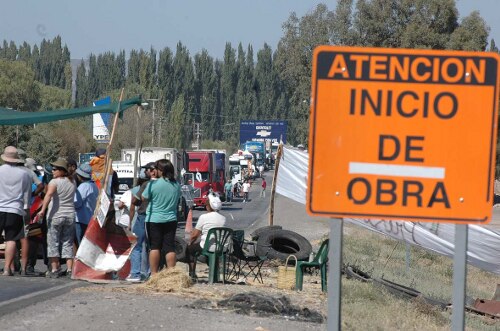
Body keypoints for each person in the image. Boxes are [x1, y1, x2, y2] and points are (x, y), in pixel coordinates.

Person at [37, 158, 77, 278]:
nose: (53, 171)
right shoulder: (72, 181)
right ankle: (70, 269)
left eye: (55, 169)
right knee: (67, 242)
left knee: (53, 242)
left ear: (62, 170)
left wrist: (43, 211)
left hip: (55, 216)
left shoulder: (54, 183)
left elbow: (48, 195)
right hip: (70, 215)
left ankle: (54, 269)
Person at [141, 159, 181, 274]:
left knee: (154, 247)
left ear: (161, 170)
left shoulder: (153, 184)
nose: (155, 171)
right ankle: (171, 274)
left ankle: (154, 274)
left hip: (154, 219)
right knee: (170, 247)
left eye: (156, 169)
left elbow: (143, 198)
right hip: (171, 219)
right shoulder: (176, 185)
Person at [0, 146, 31, 276]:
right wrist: (26, 209)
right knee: (11, 238)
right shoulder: (24, 174)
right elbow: (27, 194)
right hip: (15, 209)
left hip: (0, 207)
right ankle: (7, 268)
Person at [126, 163, 156, 282]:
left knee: (136, 245)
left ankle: (135, 273)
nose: (145, 172)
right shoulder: (167, 184)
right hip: (156, 219)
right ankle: (150, 272)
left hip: (143, 217)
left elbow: (135, 200)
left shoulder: (146, 184)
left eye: (146, 170)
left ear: (152, 171)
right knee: (152, 246)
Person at [16, 150, 44, 275]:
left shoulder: (8, 171)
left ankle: (12, 265)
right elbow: (41, 186)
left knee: (12, 238)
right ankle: (26, 266)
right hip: (28, 208)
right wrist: (33, 194)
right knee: (27, 237)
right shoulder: (30, 173)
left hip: (10, 208)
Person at [186, 193, 226, 279]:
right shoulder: (223, 218)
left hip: (206, 246)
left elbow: (194, 235)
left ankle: (192, 274)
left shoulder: (204, 217)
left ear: (208, 206)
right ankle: (215, 273)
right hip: (220, 247)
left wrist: (190, 242)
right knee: (209, 251)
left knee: (190, 250)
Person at [74, 163, 98, 246]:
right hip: (89, 219)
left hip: (81, 220)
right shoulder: (94, 185)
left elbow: (77, 203)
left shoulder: (84, 186)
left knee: (80, 244)